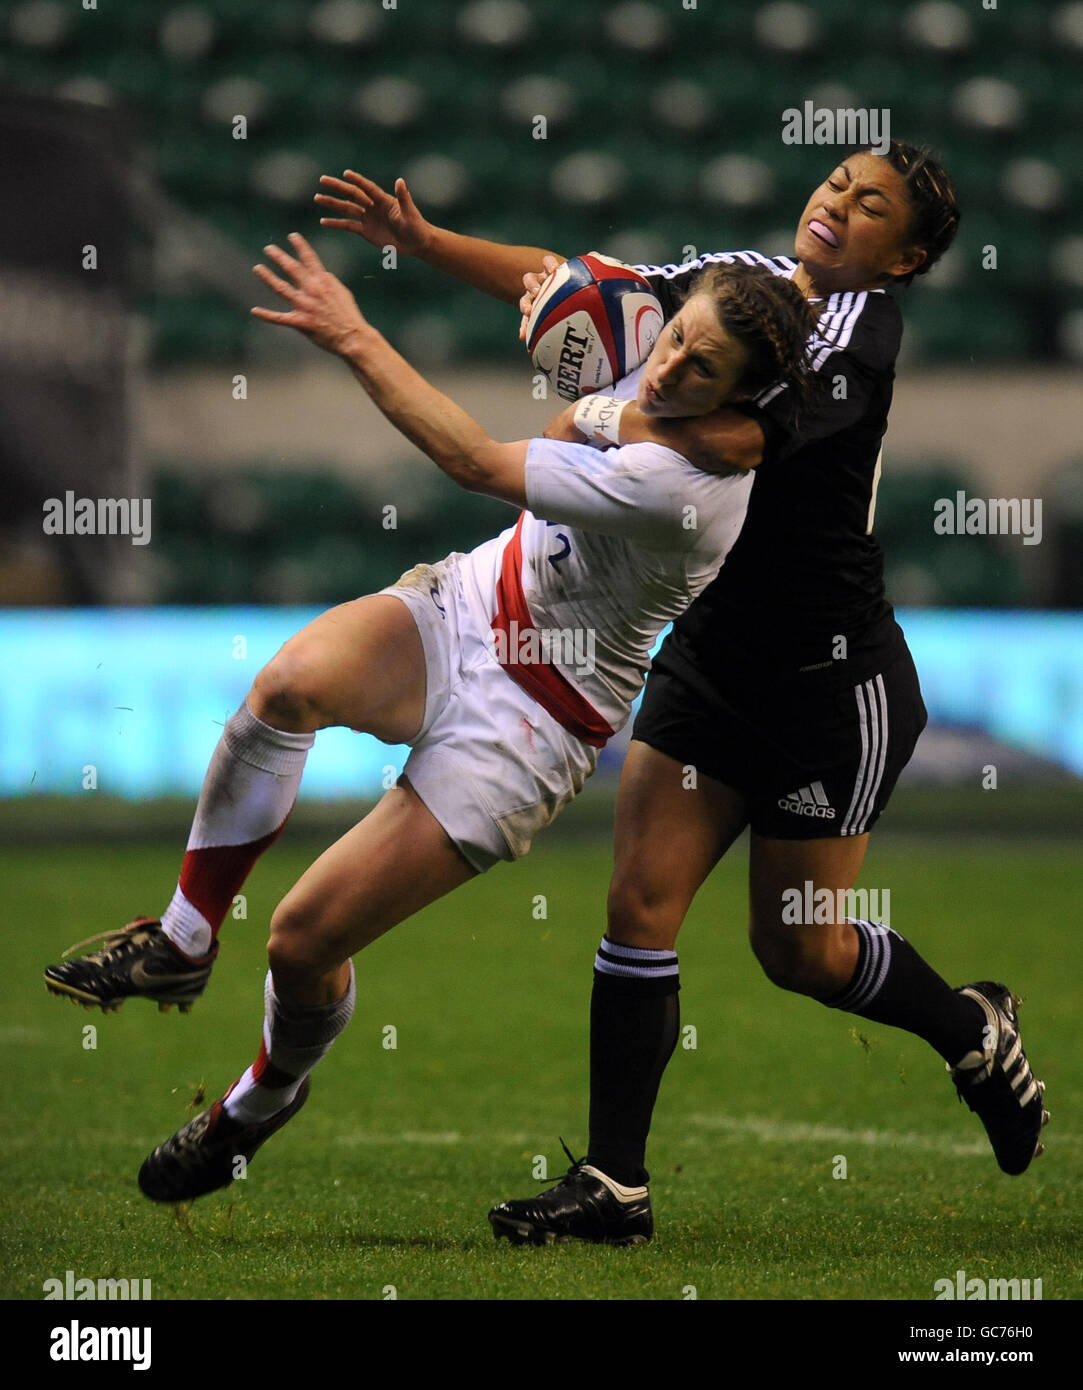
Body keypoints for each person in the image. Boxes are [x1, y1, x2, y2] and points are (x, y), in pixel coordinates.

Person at [313, 141, 1049, 1248]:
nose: (838, 203)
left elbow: (749, 435)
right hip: (710, 656)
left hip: (827, 678)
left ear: (909, 257)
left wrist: (607, 417)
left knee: (799, 948)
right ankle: (616, 1184)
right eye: (837, 182)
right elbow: (585, 293)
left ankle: (971, 1027)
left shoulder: (859, 335)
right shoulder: (744, 279)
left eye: (873, 206)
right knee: (638, 908)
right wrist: (426, 245)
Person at [44, 239, 816, 1204]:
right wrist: (451, 256)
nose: (669, 366)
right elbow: (573, 308)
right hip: (470, 606)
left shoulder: (685, 493)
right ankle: (183, 941)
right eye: (678, 341)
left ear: (743, 398)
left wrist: (355, 334)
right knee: (287, 687)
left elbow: (468, 458)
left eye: (703, 369)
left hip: (535, 719)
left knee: (300, 943)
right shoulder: (652, 366)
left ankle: (258, 1100)